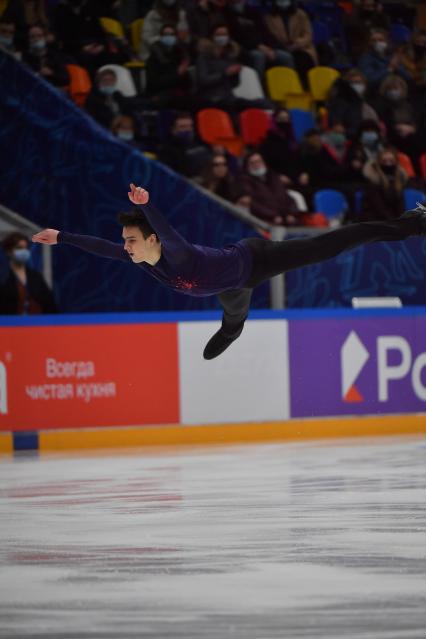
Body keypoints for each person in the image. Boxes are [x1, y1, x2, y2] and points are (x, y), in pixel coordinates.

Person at [32, 184, 426, 359]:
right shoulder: (138, 260)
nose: (127, 246)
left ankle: (412, 222)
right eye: (126, 241)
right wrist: (61, 236)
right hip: (229, 286)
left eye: (133, 239)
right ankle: (231, 331)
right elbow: (102, 247)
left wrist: (148, 205)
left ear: (152, 241)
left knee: (333, 243)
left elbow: (166, 230)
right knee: (234, 316)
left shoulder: (178, 254)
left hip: (256, 260)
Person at [0, 231, 57, 315]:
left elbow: (50, 305)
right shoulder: (2, 277)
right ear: (9, 251)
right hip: (9, 325)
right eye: (19, 248)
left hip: (37, 324)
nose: (23, 251)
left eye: (25, 248)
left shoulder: (36, 277)